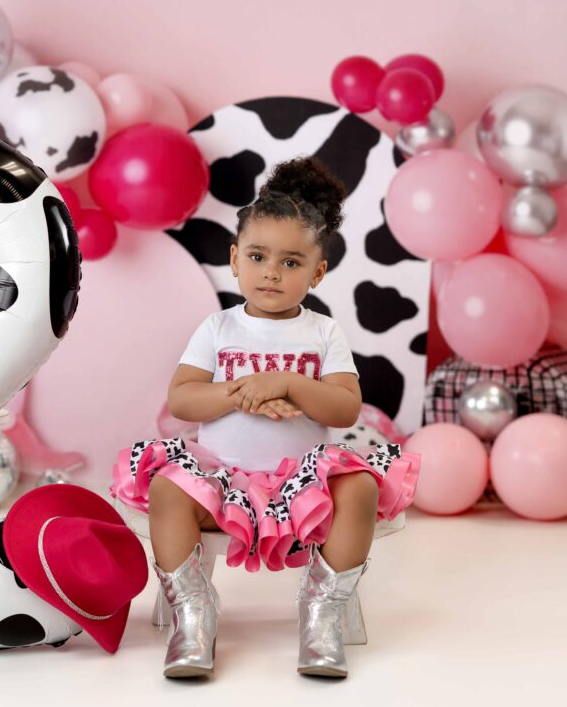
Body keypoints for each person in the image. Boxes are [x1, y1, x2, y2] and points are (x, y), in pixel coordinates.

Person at [111, 157, 421, 679]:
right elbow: (184, 399)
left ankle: (322, 611)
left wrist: (291, 384)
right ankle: (193, 610)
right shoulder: (218, 328)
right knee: (168, 489)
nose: (272, 272)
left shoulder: (323, 333)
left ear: (318, 272)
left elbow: (344, 407)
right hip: (223, 481)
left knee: (361, 488)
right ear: (235, 259)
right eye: (258, 256)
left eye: (292, 262)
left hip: (304, 488)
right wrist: (240, 393)